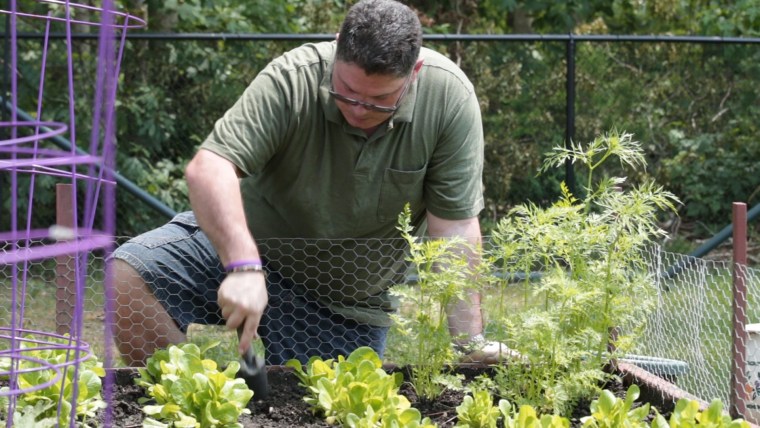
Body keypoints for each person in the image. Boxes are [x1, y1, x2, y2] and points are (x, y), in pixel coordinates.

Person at [110, 0, 504, 366]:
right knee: (128, 278)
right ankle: (194, 405)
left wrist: (468, 343)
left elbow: (453, 227)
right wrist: (244, 267)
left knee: (336, 406)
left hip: (343, 301)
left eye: (380, 100)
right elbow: (209, 168)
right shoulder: (292, 77)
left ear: (414, 72)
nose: (358, 109)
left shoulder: (449, 99)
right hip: (243, 251)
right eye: (346, 91)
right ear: (336, 48)